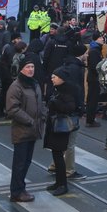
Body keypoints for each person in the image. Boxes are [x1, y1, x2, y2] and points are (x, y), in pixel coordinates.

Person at [5, 58, 47, 203]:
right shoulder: (16, 86)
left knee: (26, 162)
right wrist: (29, 120)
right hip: (22, 130)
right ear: (21, 69)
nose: (31, 69)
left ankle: (20, 188)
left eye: (33, 66)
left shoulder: (34, 84)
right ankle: (16, 191)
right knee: (20, 163)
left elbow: (39, 103)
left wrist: (43, 116)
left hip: (33, 130)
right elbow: (12, 109)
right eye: (28, 67)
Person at [44, 67, 78, 196]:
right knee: (56, 155)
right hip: (55, 126)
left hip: (61, 127)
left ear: (62, 79)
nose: (52, 78)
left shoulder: (67, 91)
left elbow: (69, 108)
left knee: (59, 156)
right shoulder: (58, 89)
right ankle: (59, 182)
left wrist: (55, 102)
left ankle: (62, 184)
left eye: (55, 77)